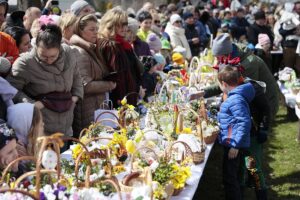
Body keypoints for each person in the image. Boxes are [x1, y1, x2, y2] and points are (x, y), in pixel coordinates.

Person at [7, 24, 83, 137]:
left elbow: (77, 77)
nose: (49, 61)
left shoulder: (68, 53)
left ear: (60, 49)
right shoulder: (25, 63)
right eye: (43, 56)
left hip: (67, 126)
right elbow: (11, 90)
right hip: (41, 130)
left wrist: (75, 97)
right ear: (36, 47)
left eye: (53, 56)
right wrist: (32, 105)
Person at [206, 33, 279, 119]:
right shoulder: (234, 54)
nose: (217, 61)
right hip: (256, 104)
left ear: (227, 54)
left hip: (266, 103)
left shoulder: (248, 64)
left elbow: (231, 86)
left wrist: (205, 93)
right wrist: (204, 92)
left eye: (218, 57)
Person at [70, 14, 116, 137]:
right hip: (87, 111)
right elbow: (85, 86)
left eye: (96, 29)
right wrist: (109, 85)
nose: (96, 32)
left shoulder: (90, 49)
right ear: (80, 31)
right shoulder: (79, 51)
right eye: (91, 29)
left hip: (96, 107)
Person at [217, 65, 255, 200]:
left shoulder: (235, 100)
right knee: (234, 174)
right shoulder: (235, 97)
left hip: (233, 144)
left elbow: (244, 122)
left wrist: (235, 144)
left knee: (230, 177)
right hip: (232, 141)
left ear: (224, 84)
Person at [97, 7, 144, 107]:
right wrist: (122, 101)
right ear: (111, 25)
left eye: (125, 24)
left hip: (128, 95)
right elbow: (117, 76)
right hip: (120, 99)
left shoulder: (122, 44)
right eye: (120, 25)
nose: (124, 28)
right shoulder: (110, 45)